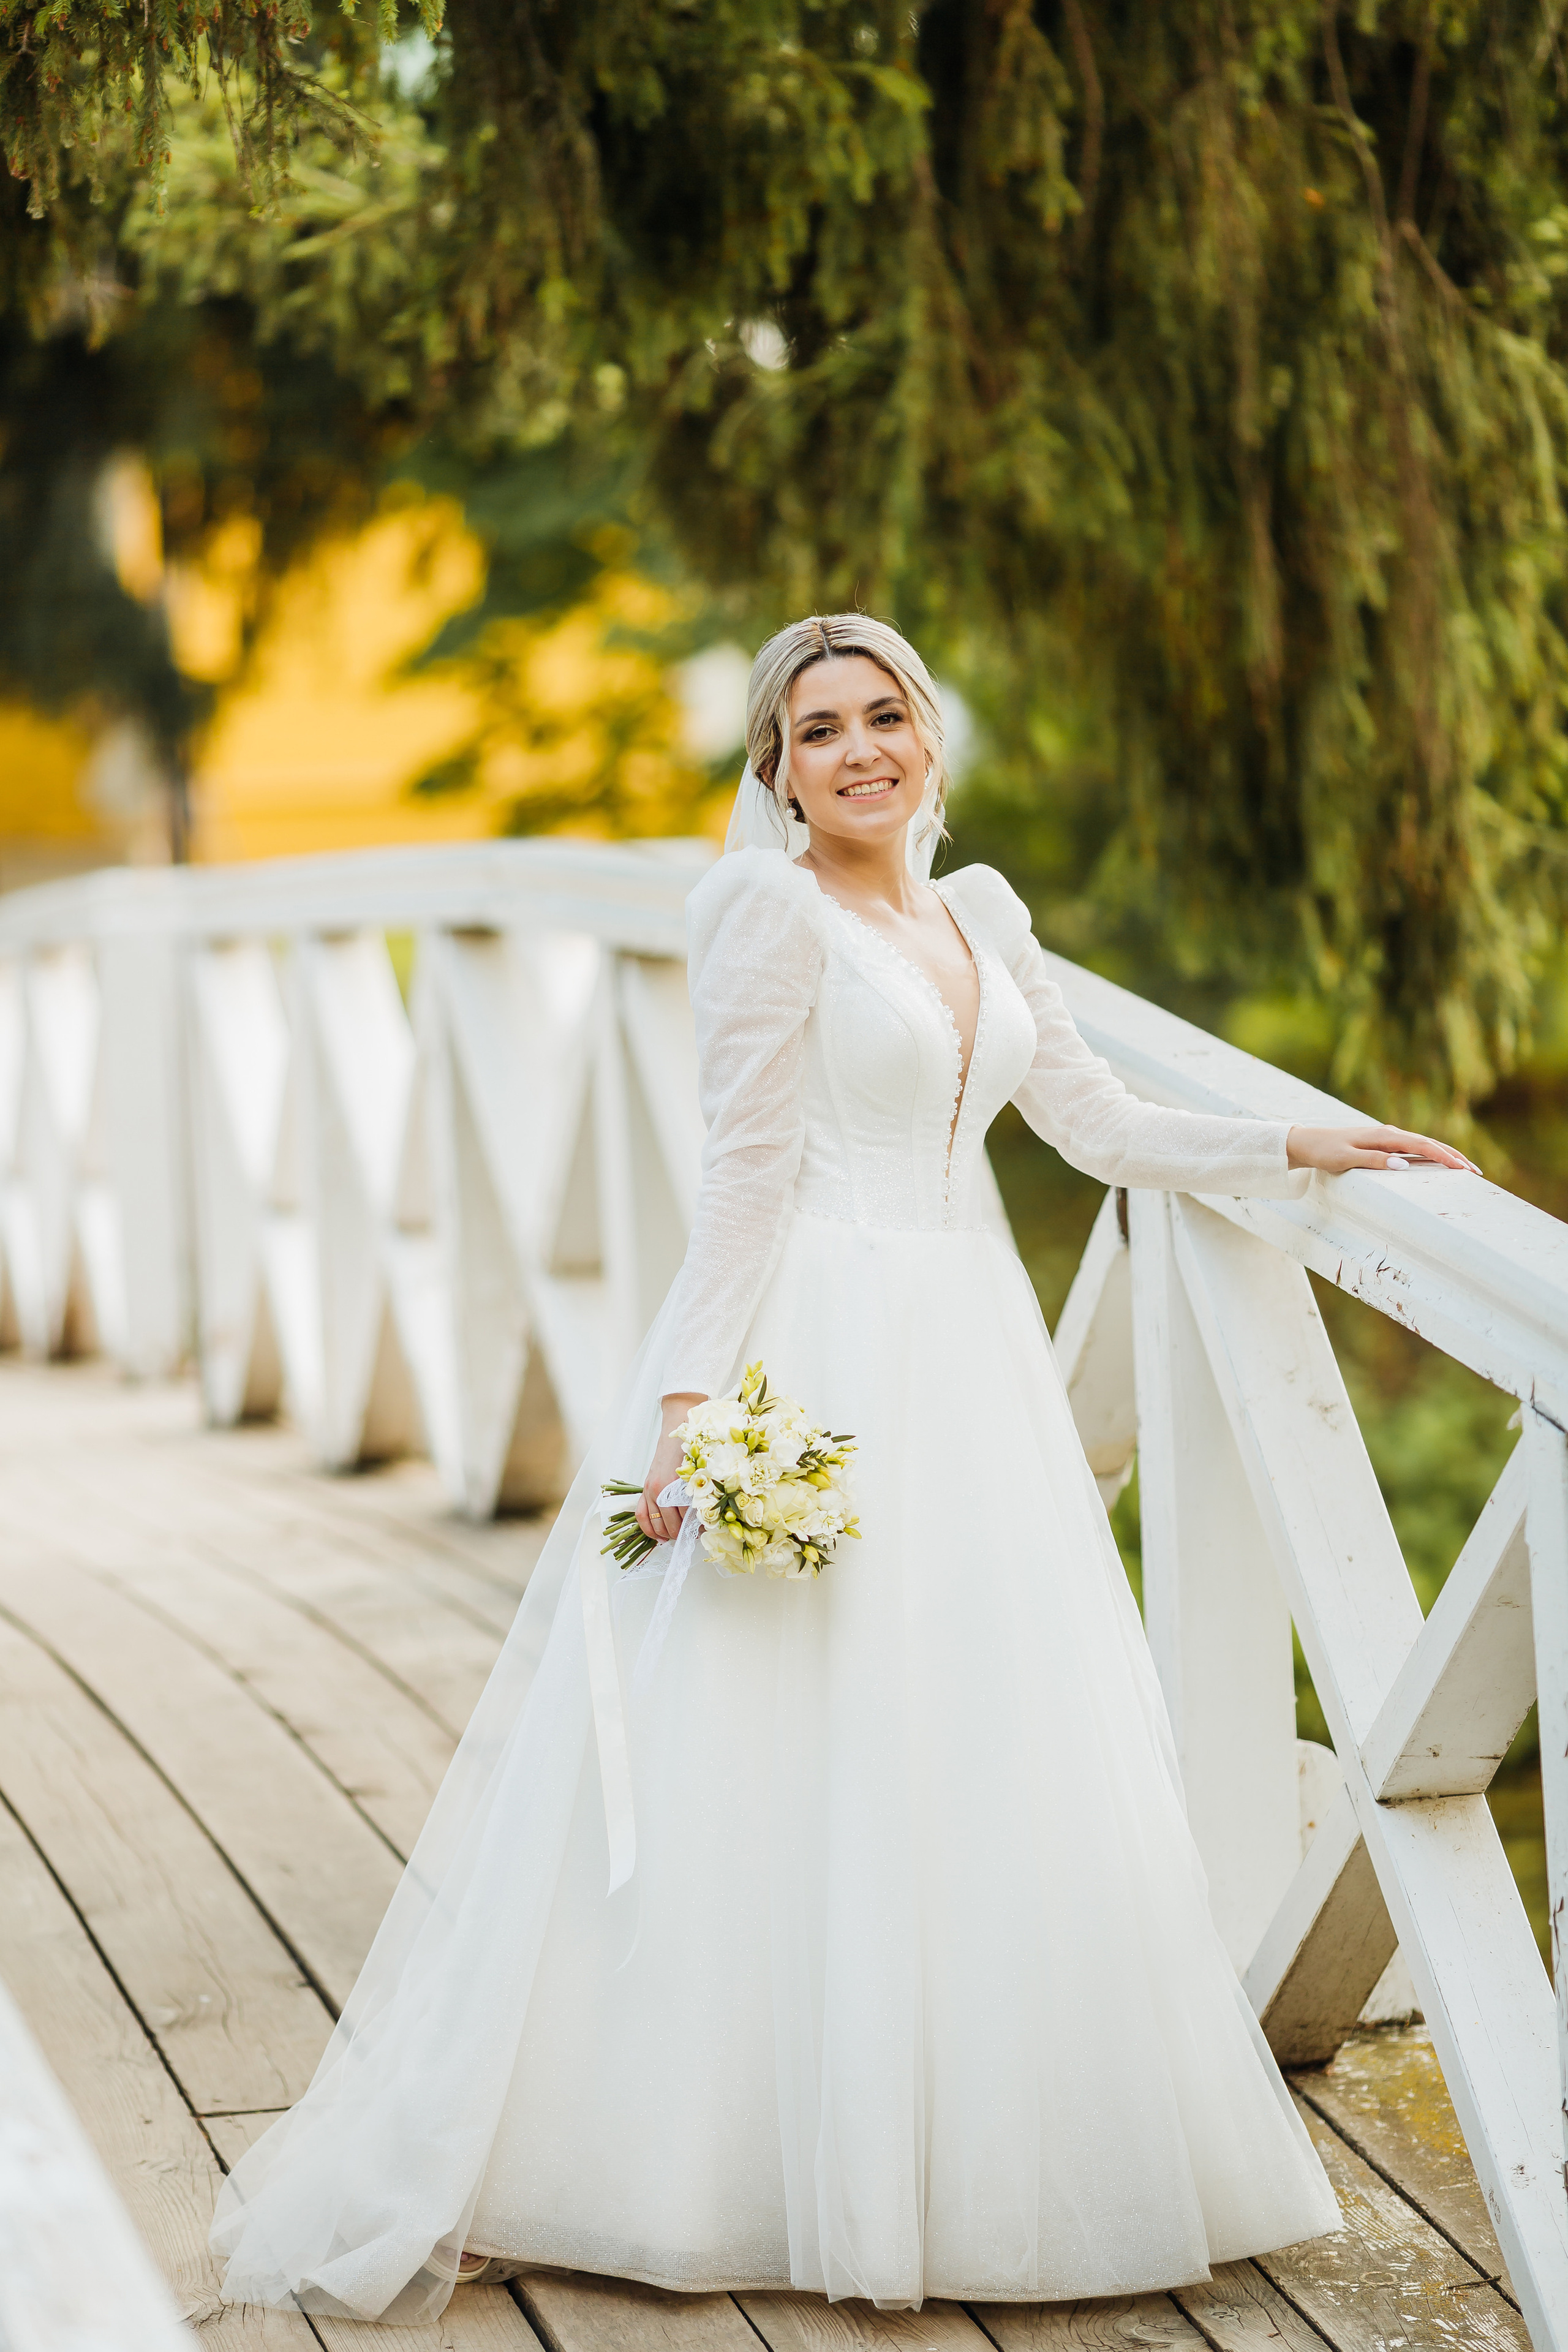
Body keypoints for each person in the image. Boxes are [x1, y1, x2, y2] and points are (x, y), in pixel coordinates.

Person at [212, 614, 1474, 2324]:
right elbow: (740, 1180)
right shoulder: (763, 913)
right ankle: (672, 2154)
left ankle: (974, 2157)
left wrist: (1292, 1138)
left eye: (887, 716)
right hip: (823, 1347)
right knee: (782, 1738)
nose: (861, 749)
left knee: (975, 1733)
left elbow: (1093, 1121)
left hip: (974, 1364)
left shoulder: (986, 914)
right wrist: (681, 1422)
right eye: (820, 730)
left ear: (930, 739)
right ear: (777, 769)